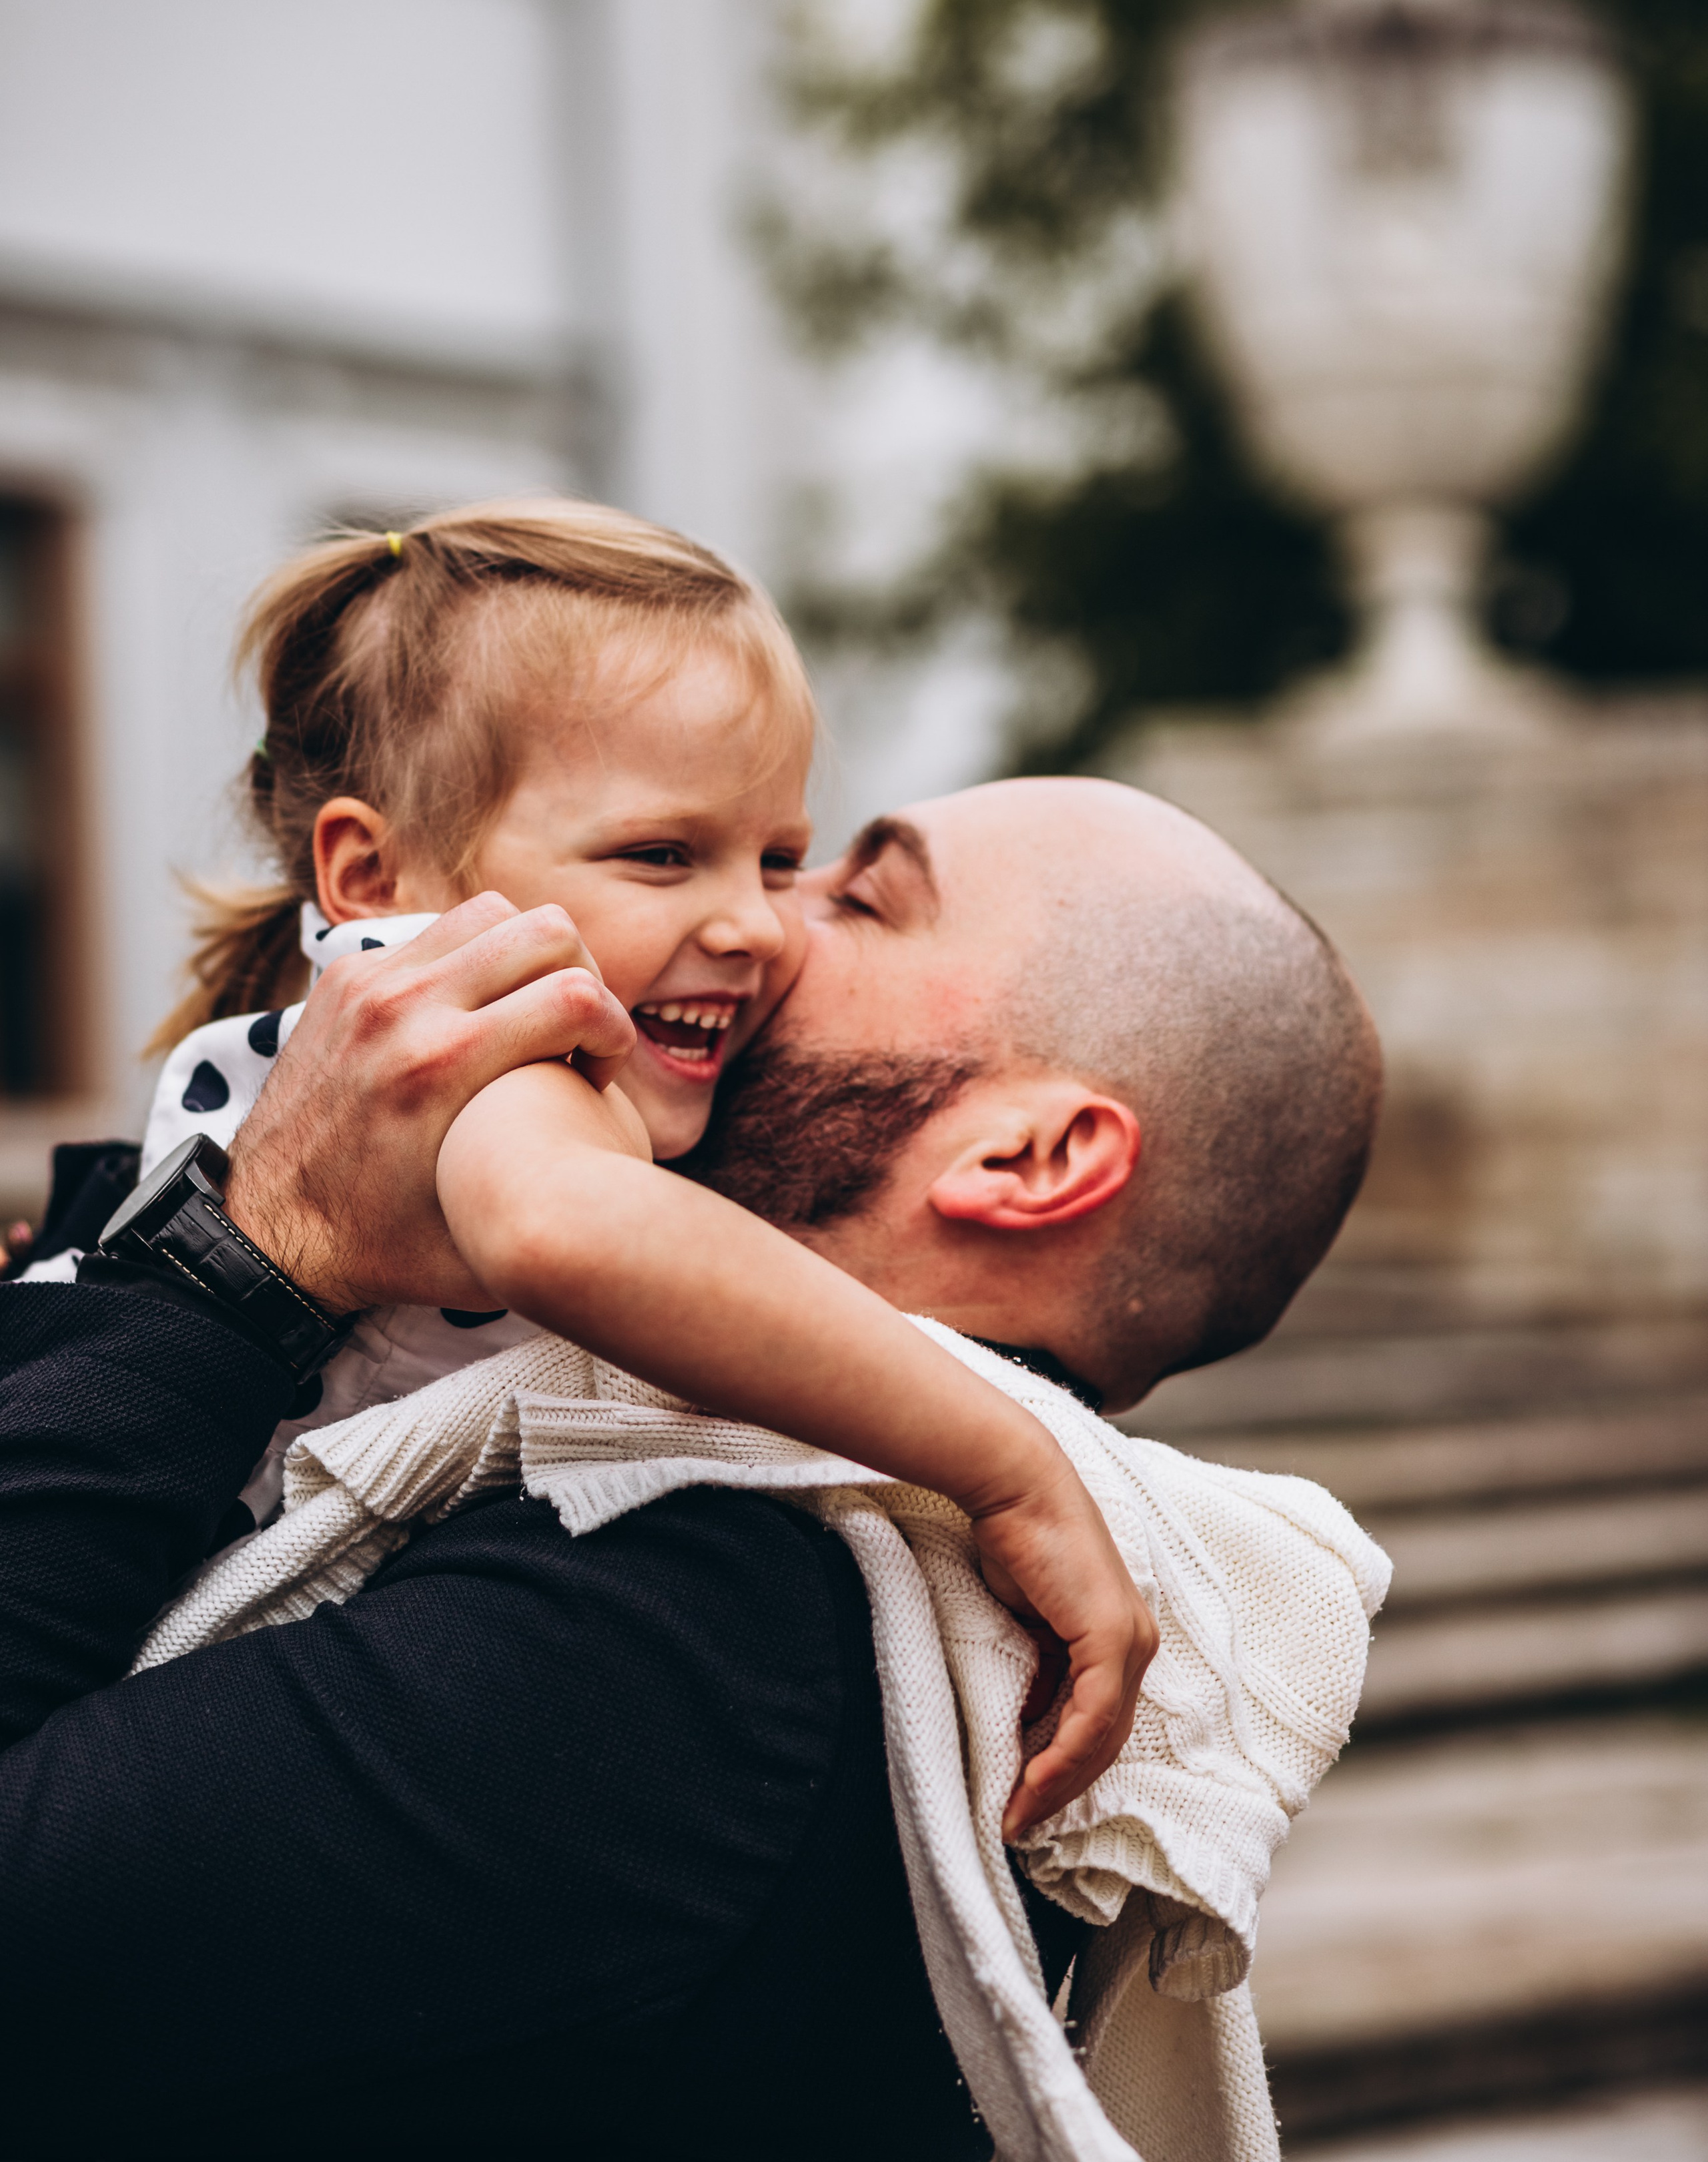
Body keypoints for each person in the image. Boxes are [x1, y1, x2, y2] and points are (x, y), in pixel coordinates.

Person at [0, 781, 1378, 2160]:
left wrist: (238, 1267)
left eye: (853, 895)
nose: (753, 923)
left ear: (1026, 1158)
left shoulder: (711, 1612)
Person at [105, 496, 1150, 1822]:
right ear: (375, 875)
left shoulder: (395, 1024)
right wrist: (1004, 1464)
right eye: (661, 855)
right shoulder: (507, 1045)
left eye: (777, 857)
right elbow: (568, 1228)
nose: (755, 925)